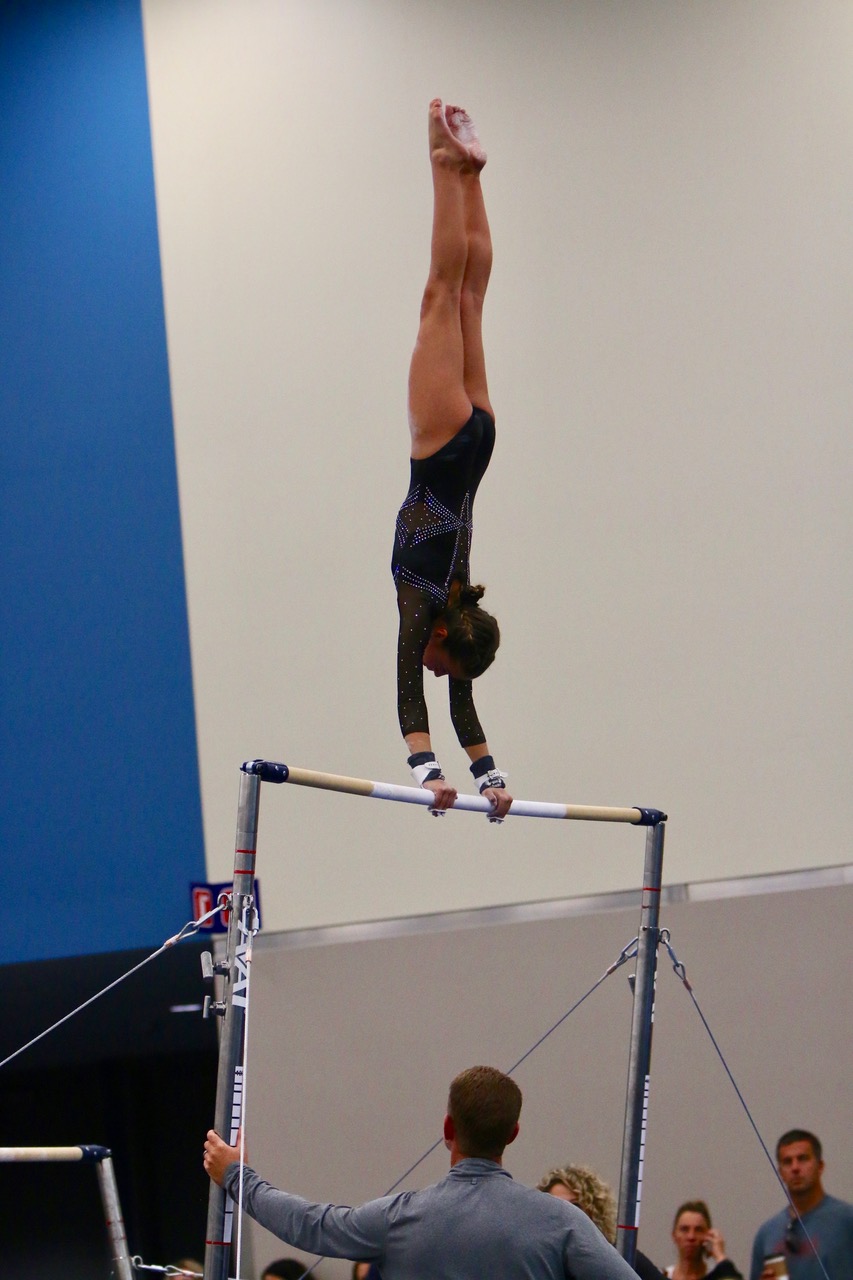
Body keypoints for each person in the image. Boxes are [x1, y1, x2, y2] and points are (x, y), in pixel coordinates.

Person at [203, 1063, 640, 1280]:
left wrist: (238, 1176)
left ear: (447, 1129)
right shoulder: (561, 1221)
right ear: (513, 1134)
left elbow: (310, 1226)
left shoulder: (399, 1219)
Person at [391, 99, 512, 822]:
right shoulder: (423, 605)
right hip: (440, 450)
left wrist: (490, 779)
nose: (440, 674)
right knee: (443, 293)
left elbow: (459, 703)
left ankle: (471, 175)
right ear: (442, 637)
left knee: (471, 297)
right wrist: (428, 771)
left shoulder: (458, 606)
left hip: (479, 444)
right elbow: (409, 689)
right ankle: (446, 165)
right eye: (446, 664)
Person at [750, 1130, 853, 1280]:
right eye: (787, 1162)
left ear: (820, 1166)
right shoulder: (767, 1234)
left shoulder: (846, 1220)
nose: (795, 1168)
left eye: (803, 1159)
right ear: (780, 1173)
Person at [537, 1164, 666, 1280]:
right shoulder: (537, 1260)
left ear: (595, 1212)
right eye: (556, 1206)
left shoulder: (619, 1256)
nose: (565, 1214)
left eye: (575, 1206)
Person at [666, 1201, 742, 1280]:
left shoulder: (718, 1276)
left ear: (708, 1236)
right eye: (684, 1229)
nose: (691, 1237)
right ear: (674, 1235)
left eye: (698, 1230)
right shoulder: (662, 1275)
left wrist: (720, 1255)